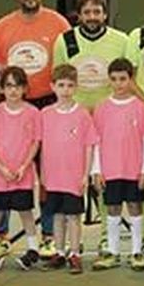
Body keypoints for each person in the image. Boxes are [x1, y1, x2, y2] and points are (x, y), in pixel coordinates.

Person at [92, 58, 144, 272]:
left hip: (134, 169)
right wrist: (96, 170)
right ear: (109, 80)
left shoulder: (140, 108)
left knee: (135, 207)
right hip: (110, 169)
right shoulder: (101, 108)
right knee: (113, 209)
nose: (119, 84)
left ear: (130, 80)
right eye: (114, 79)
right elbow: (96, 142)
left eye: (123, 79)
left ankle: (137, 251)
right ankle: (113, 251)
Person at [0, 66, 42, 271]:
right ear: (2, 89)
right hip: (0, 175)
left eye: (17, 86)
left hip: (22, 175)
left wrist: (24, 166)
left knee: (26, 212)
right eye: (9, 86)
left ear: (24, 88)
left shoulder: (33, 113)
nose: (13, 91)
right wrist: (0, 168)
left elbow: (35, 142)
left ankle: (33, 249)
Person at [38, 65, 96, 273]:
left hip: (74, 175)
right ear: (53, 86)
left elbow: (89, 144)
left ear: (76, 87)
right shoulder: (45, 114)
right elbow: (41, 145)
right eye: (61, 85)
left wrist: (85, 174)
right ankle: (59, 252)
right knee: (57, 215)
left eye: (70, 85)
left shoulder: (82, 114)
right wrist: (43, 172)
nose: (65, 89)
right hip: (53, 175)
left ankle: (75, 253)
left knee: (73, 216)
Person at [0, 0, 70, 106]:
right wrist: (10, 91)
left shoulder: (61, 24)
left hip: (51, 101)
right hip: (14, 101)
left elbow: (70, 64)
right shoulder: (0, 27)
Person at [53, 0, 131, 109]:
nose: (92, 17)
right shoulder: (65, 40)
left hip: (111, 110)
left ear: (105, 15)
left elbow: (129, 79)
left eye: (97, 12)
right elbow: (57, 78)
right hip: (75, 110)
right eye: (87, 12)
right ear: (79, 16)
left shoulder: (122, 40)